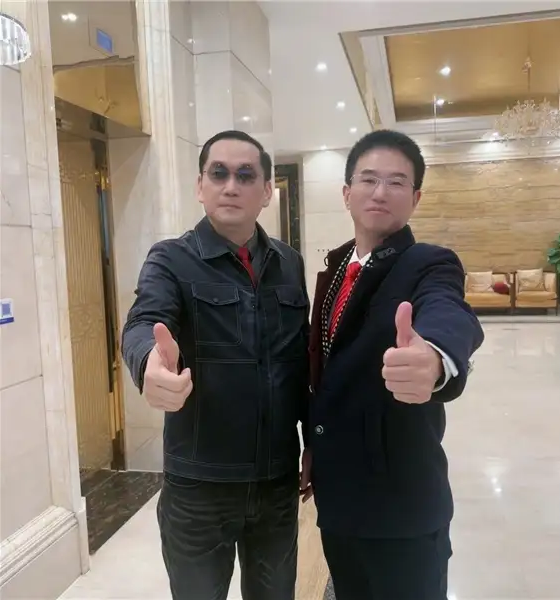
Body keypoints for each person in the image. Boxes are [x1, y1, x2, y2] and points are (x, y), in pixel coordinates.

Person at [121, 130, 310, 600]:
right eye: (218, 173)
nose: (231, 186)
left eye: (246, 175)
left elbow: (300, 365)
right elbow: (144, 322)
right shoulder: (171, 259)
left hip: (276, 483)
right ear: (200, 186)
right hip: (200, 489)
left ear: (266, 191)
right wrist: (148, 365)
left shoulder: (289, 263)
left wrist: (316, 442)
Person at [304, 130, 484, 600]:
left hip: (401, 510)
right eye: (368, 179)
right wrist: (313, 447)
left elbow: (448, 311)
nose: (380, 192)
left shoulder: (428, 263)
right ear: (347, 193)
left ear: (415, 197)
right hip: (338, 501)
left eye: (397, 182)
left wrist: (435, 357)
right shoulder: (338, 267)